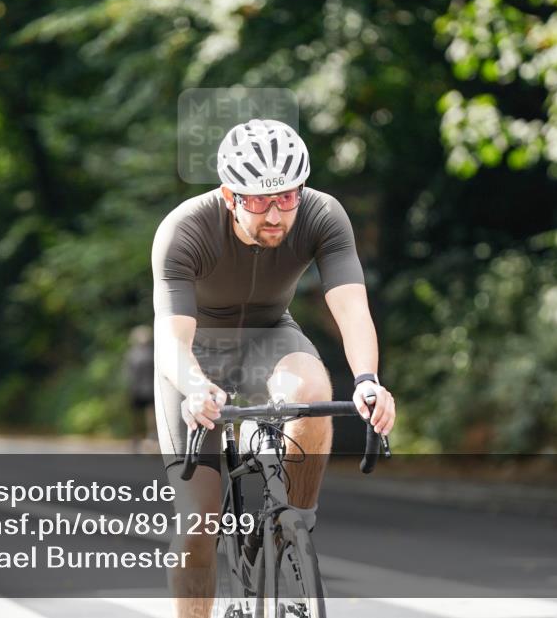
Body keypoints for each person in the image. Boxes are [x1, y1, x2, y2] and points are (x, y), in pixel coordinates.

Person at [151, 118, 396, 616]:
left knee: (309, 389)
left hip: (270, 335)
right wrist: (196, 387)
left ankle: (295, 525)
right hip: (197, 353)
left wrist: (368, 380)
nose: (275, 213)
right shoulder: (184, 229)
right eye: (258, 200)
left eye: (287, 197)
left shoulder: (323, 215)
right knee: (197, 526)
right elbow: (172, 338)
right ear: (229, 195)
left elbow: (351, 309)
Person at [125, 324, 157, 451]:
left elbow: (129, 374)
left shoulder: (133, 354)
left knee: (146, 419)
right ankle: (145, 442)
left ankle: (145, 442)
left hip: (143, 390)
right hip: (144, 390)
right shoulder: (151, 353)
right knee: (144, 419)